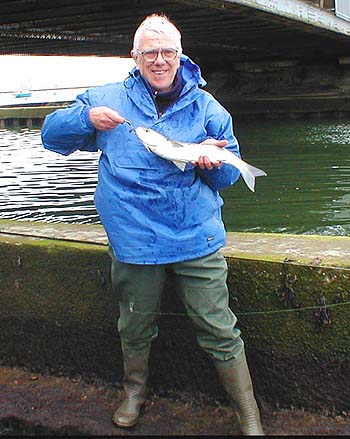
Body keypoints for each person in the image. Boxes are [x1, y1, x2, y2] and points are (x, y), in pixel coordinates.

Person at [41, 13, 264, 436]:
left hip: (196, 238)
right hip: (134, 240)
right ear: (135, 56)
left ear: (180, 55)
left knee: (219, 328)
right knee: (134, 325)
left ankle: (248, 413)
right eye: (150, 53)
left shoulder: (208, 107)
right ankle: (134, 393)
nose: (159, 61)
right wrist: (84, 120)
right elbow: (51, 137)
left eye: (168, 52)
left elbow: (228, 179)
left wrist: (211, 165)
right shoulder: (106, 99)